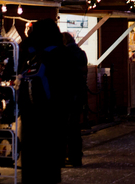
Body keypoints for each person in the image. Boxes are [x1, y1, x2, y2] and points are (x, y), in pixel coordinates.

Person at [19, 18, 75, 183]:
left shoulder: (37, 54)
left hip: (37, 118)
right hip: (50, 117)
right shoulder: (60, 53)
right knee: (48, 165)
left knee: (36, 164)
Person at [62, 31, 88, 167]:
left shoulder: (64, 54)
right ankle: (76, 156)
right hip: (79, 93)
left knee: (66, 127)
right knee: (75, 126)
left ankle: (68, 156)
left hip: (67, 94)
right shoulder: (81, 53)